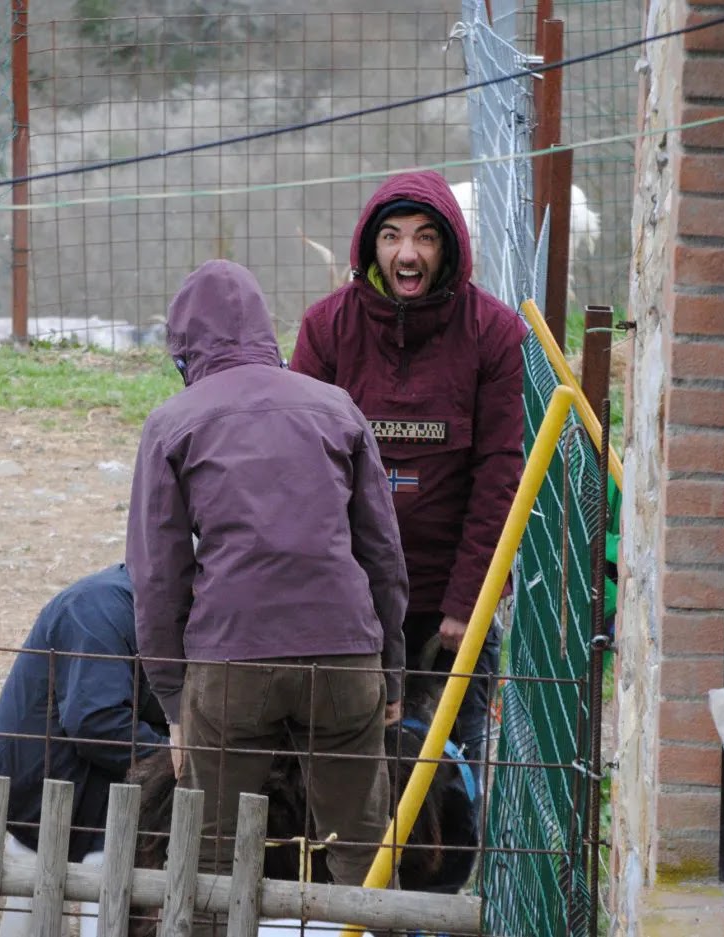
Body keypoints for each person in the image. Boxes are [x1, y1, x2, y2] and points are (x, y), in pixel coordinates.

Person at [126, 259, 409, 915]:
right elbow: (383, 556)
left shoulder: (173, 422)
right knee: (363, 849)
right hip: (343, 653)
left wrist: (173, 700)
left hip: (231, 661)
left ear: (182, 349)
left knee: (210, 863)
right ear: (265, 331)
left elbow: (158, 576)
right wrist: (390, 674)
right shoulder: (336, 407)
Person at [290, 169, 528, 779]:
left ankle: (444, 873)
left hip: (447, 601)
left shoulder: (494, 334)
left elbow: (500, 473)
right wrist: (329, 597)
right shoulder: (326, 330)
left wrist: (467, 601)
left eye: (425, 237)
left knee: (450, 769)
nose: (408, 253)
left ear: (448, 247)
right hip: (352, 599)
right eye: (392, 236)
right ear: (371, 246)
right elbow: (303, 472)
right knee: (346, 765)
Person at [0, 563, 168, 937]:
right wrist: (178, 756)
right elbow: (97, 720)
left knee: (100, 896)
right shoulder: (98, 606)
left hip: (94, 799)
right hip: (31, 799)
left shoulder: (163, 616)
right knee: (30, 900)